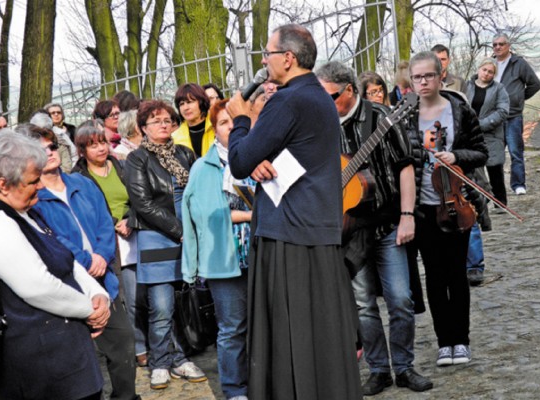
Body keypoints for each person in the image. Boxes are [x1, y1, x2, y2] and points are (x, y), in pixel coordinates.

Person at [226, 24, 362, 399]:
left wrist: (240, 117)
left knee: (290, 335)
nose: (264, 61)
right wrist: (258, 160)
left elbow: (238, 160)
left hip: (288, 234)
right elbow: (291, 153)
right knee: (320, 335)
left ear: (288, 58)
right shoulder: (318, 97)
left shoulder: (287, 100)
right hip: (316, 228)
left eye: (268, 53)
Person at [0, 132, 110, 399]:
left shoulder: (22, 208)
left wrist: (98, 295)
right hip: (39, 372)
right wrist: (89, 310)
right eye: (33, 181)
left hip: (65, 358)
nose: (40, 187)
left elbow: (64, 259)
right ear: (3, 184)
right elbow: (37, 286)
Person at [316, 61, 431, 396]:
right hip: (348, 229)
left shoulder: (382, 117)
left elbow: (405, 168)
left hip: (387, 225)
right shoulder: (323, 126)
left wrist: (408, 215)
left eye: (332, 96)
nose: (327, 104)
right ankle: (379, 370)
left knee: (400, 299)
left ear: (349, 89)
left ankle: (405, 368)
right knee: (363, 305)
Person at [29, 127, 139, 400]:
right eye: (41, 150)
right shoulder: (33, 198)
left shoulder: (83, 183)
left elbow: (104, 221)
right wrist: (88, 260)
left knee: (124, 344)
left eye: (52, 147)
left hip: (105, 279)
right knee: (82, 360)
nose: (50, 154)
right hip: (71, 284)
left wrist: (102, 255)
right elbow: (53, 239)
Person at [406, 51, 487, 367]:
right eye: (417, 77)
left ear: (441, 76)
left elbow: (480, 152)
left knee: (456, 273)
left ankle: (461, 340)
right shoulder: (407, 116)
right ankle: (444, 342)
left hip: (456, 202)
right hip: (423, 205)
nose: (423, 81)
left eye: (428, 75)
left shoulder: (460, 111)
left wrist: (457, 157)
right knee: (434, 276)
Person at [124, 100, 205, 390]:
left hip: (188, 235)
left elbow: (199, 190)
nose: (163, 124)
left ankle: (179, 359)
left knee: (184, 303)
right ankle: (160, 362)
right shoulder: (137, 159)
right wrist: (178, 230)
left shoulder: (185, 153)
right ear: (143, 128)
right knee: (160, 306)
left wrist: (193, 231)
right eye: (156, 120)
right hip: (158, 235)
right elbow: (142, 204)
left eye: (167, 119)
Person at [182, 99, 253, 400]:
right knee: (232, 328)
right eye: (224, 122)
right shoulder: (203, 166)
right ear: (215, 129)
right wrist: (253, 214)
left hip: (260, 253)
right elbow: (207, 212)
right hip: (223, 259)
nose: (231, 127)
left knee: (261, 325)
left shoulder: (256, 157)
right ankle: (235, 390)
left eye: (236, 122)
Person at [71, 124, 149, 373]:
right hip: (105, 245)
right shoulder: (78, 178)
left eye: (103, 142)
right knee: (122, 298)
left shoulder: (121, 166)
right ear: (82, 150)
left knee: (140, 296)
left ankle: (143, 346)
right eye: (93, 145)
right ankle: (133, 349)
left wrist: (130, 218)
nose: (101, 148)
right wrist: (111, 226)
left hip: (133, 237)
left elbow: (139, 197)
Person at [464, 58, 510, 286]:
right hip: (470, 139)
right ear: (478, 70)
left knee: (494, 170)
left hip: (489, 135)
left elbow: (503, 111)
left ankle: (498, 202)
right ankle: (483, 202)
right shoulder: (467, 86)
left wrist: (482, 124)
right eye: (484, 70)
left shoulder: (499, 89)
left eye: (491, 72)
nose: (487, 74)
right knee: (476, 177)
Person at [492, 33, 540, 195]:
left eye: (501, 44)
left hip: (513, 116)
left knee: (515, 152)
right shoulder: (490, 64)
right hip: (494, 117)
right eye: (495, 45)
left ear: (508, 45)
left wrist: (520, 98)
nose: (498, 47)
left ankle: (518, 184)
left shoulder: (518, 63)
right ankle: (496, 189)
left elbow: (535, 84)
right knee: (495, 154)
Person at [172, 83, 214, 157]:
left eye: (190, 102)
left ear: (201, 102)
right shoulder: (175, 138)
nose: (186, 108)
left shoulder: (216, 127)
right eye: (181, 104)